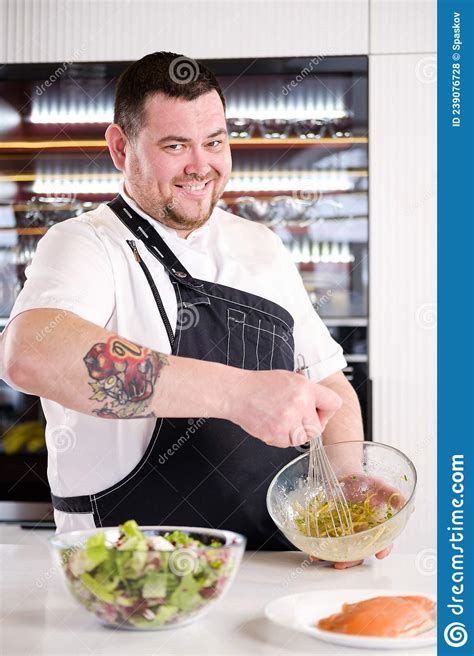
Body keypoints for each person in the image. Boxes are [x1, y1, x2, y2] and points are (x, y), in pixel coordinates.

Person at [0, 51, 389, 566]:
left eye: (214, 142)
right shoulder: (87, 243)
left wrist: (343, 504)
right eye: (175, 145)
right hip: (129, 571)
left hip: (271, 563)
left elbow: (331, 387)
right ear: (120, 147)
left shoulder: (261, 246)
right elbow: (31, 355)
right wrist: (238, 394)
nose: (200, 166)